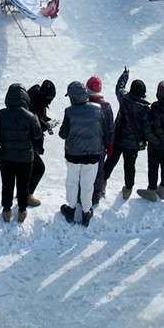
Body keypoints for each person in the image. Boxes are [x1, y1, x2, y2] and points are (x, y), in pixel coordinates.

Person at [58, 81, 111, 225]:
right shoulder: (98, 108)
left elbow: (63, 134)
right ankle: (86, 212)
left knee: (72, 182)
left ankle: (71, 208)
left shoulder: (69, 111)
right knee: (88, 183)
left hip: (73, 155)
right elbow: (105, 131)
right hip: (94, 154)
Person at [0, 82, 46, 219]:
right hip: (25, 158)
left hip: (6, 157)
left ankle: (6, 210)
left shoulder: (2, 114)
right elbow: (37, 134)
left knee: (7, 184)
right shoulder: (30, 116)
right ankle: (22, 211)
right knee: (23, 184)